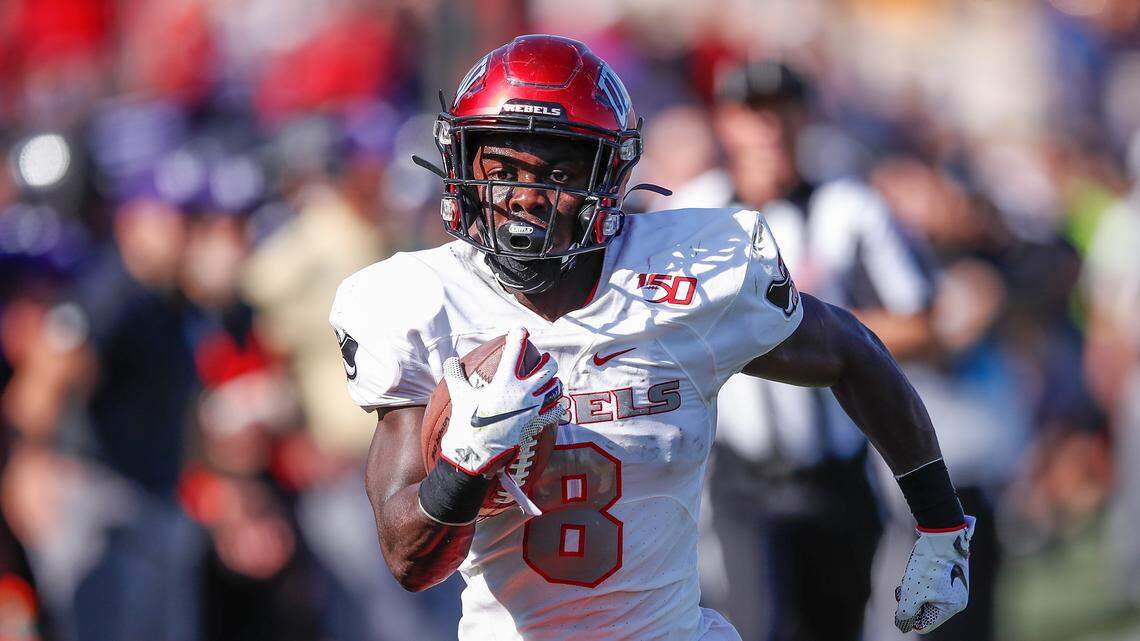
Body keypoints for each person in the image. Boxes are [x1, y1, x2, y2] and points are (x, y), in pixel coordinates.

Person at [330, 35, 975, 641]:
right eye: (501, 168)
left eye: (557, 174)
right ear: (462, 165)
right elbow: (409, 560)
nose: (525, 197)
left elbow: (850, 351)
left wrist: (941, 524)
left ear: (606, 179)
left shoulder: (685, 277)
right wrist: (463, 465)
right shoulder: (420, 304)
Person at [698, 62, 935, 641]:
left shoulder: (849, 206)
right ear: (725, 122)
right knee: (761, 626)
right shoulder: (694, 213)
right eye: (751, 111)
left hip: (837, 472)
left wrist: (821, 328)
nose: (768, 127)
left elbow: (918, 321)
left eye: (780, 109)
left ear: (804, 117)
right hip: (744, 477)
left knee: (838, 627)